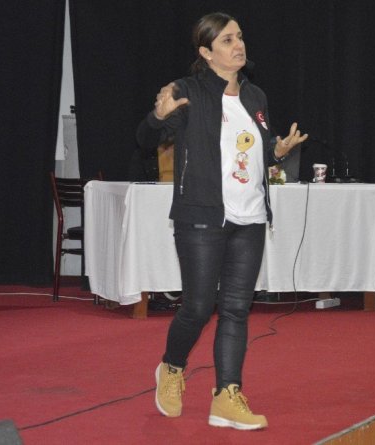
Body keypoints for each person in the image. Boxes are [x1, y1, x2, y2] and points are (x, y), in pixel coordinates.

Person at [136, 12, 307, 430]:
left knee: (235, 310)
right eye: (227, 40)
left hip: (250, 217)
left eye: (240, 37)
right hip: (201, 215)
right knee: (197, 308)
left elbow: (251, 152)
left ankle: (227, 395)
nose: (238, 45)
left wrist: (277, 151)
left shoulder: (255, 96)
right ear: (206, 52)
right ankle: (172, 367)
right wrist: (158, 117)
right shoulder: (187, 91)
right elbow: (145, 139)